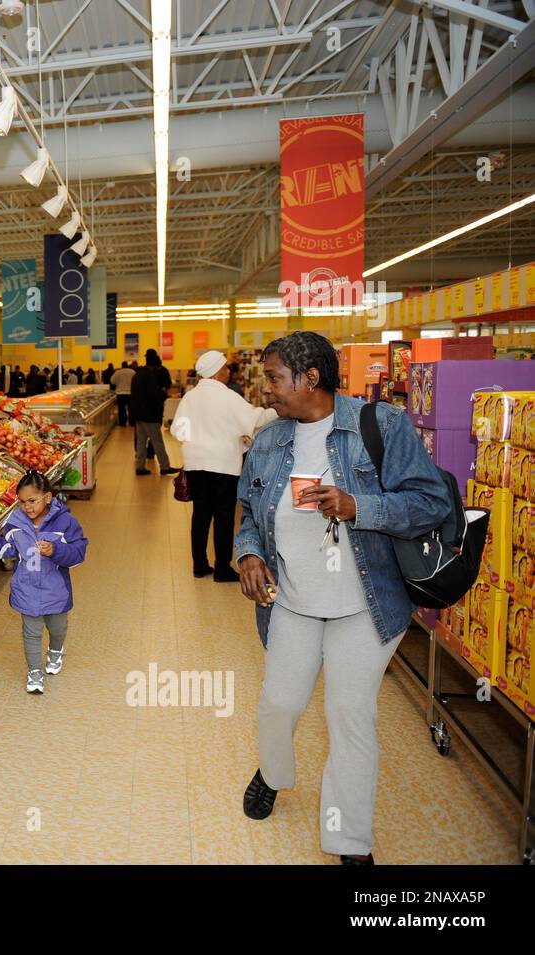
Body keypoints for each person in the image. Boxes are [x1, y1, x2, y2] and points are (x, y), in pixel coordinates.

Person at [235, 331, 451, 865]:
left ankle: (350, 841)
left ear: (311, 379)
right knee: (280, 703)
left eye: (274, 379)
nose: (266, 391)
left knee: (350, 715)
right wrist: (248, 556)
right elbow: (248, 512)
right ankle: (274, 771)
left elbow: (432, 502)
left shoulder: (382, 426)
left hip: (366, 604)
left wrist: (361, 506)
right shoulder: (268, 439)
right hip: (292, 600)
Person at [0, 471, 89, 694]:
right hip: (26, 589)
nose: (27, 507)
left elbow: (78, 552)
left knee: (58, 628)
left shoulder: (65, 522)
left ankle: (55, 651)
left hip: (56, 590)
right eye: (23, 502)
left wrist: (56, 550)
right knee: (31, 632)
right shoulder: (15, 523)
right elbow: (8, 549)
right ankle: (35, 672)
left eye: (32, 501)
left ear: (47, 497)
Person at [172, 350, 276, 583]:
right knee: (224, 517)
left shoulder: (191, 397)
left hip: (195, 463)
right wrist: (277, 410)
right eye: (226, 368)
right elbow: (254, 419)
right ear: (218, 373)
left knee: (200, 515)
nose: (229, 371)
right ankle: (222, 569)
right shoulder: (227, 396)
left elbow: (177, 430)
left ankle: (199, 565)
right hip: (223, 465)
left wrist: (197, 440)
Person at [131, 350, 177, 476]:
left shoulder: (137, 375)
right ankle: (165, 466)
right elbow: (152, 393)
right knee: (157, 441)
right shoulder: (149, 375)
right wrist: (163, 393)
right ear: (154, 366)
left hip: (138, 414)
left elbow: (135, 394)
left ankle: (140, 466)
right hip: (150, 414)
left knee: (141, 441)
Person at [111, 360, 136, 425]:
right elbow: (136, 381)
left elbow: (112, 381)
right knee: (131, 409)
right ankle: (132, 422)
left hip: (120, 393)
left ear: (121, 365)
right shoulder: (132, 372)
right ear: (127, 365)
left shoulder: (117, 372)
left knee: (121, 409)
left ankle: (122, 422)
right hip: (130, 393)